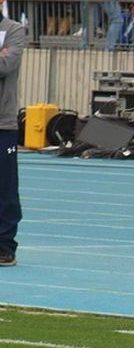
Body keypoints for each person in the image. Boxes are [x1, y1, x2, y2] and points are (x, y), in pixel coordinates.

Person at [0, 0, 24, 267]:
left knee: (5, 188)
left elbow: (6, 65)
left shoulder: (14, 30)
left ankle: (5, 245)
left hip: (2, 123)